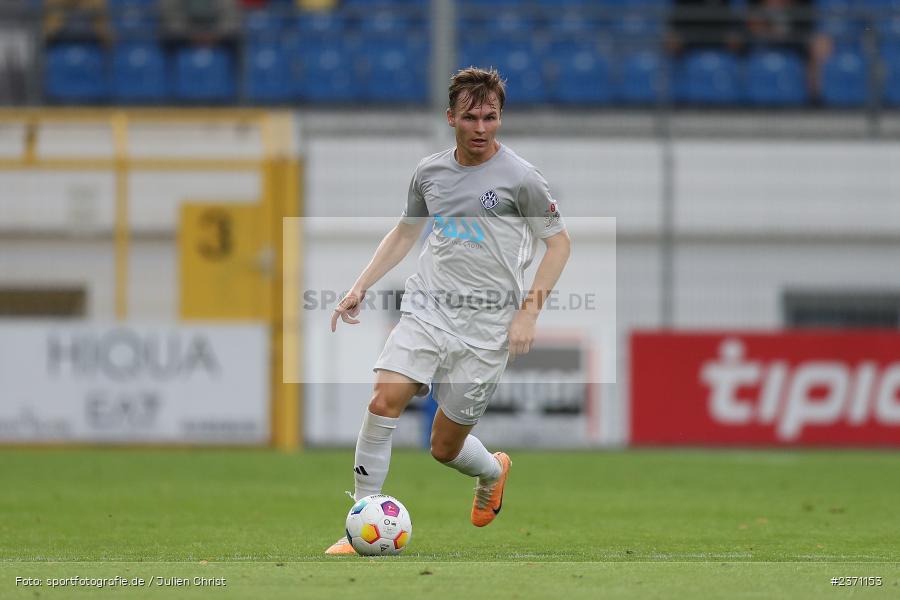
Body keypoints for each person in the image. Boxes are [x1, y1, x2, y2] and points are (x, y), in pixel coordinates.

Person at [325, 67, 572, 555]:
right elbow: (404, 232)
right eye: (470, 117)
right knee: (383, 400)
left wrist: (529, 312)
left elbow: (559, 245)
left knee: (444, 448)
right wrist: (360, 286)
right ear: (450, 118)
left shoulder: (521, 179)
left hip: (488, 328)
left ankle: (493, 471)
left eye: (490, 117)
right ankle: (360, 522)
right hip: (429, 309)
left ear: (500, 118)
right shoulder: (429, 173)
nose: (481, 128)